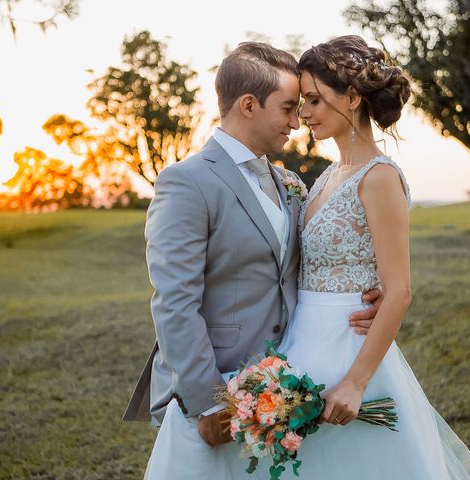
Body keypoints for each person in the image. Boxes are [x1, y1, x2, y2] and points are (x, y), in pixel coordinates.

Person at [121, 42, 382, 480]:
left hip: (282, 389)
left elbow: (304, 263)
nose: (296, 123)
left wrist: (365, 295)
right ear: (248, 105)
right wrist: (209, 400)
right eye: (287, 109)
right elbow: (174, 302)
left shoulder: (287, 183)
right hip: (214, 397)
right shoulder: (186, 182)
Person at [273, 35, 470, 479]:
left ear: (352, 98)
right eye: (301, 102)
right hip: (302, 342)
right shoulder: (331, 173)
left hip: (349, 349)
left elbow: (400, 290)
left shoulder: (379, 177)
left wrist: (355, 383)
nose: (304, 114)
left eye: (314, 100)